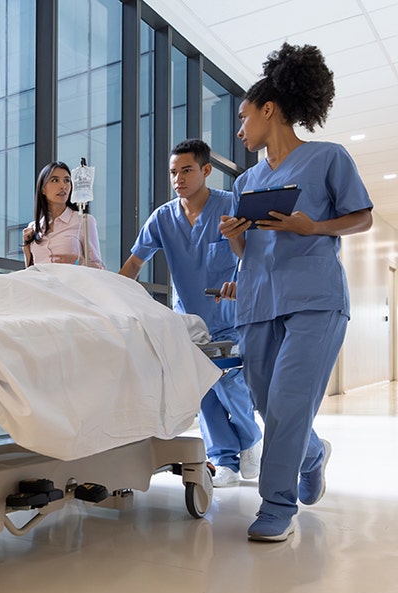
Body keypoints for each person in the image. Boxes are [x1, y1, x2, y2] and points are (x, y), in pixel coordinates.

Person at [218, 43, 373, 542]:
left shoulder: (328, 157)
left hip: (315, 301)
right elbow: (250, 255)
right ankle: (313, 452)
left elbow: (363, 216)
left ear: (270, 110)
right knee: (267, 406)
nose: (240, 130)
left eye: (244, 118)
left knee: (286, 404)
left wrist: (314, 227)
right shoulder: (248, 180)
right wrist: (235, 237)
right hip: (258, 304)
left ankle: (276, 506)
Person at [118, 139, 262, 488]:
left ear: (206, 170)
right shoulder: (163, 218)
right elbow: (135, 262)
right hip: (188, 321)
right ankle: (223, 458)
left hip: (229, 314)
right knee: (202, 390)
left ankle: (252, 438)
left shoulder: (231, 206)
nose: (178, 178)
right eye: (173, 172)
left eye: (186, 170)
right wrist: (113, 297)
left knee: (229, 382)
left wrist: (243, 280)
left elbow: (257, 252)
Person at [23, 161, 105, 269]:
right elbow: (30, 270)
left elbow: (99, 268)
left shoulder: (84, 221)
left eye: (67, 180)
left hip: (70, 284)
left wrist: (79, 262)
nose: (63, 186)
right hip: (40, 284)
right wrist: (26, 248)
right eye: (55, 180)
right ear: (43, 189)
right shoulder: (33, 228)